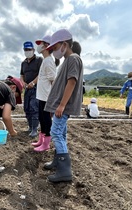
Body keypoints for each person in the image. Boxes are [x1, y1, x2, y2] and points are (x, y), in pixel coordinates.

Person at [43, 29, 83, 183]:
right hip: (61, 106)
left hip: (63, 106)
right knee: (61, 133)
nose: (54, 50)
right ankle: (57, 162)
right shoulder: (68, 60)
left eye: (55, 46)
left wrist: (61, 105)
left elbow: (71, 81)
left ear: (65, 44)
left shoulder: (73, 58)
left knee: (56, 133)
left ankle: (65, 171)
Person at [31, 35, 58, 152]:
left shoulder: (49, 62)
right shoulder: (45, 60)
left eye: (41, 44)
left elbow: (53, 81)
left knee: (46, 119)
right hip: (42, 96)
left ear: (47, 46)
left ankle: (46, 143)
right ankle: (41, 140)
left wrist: (53, 98)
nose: (39, 46)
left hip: (47, 97)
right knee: (42, 118)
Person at [20, 41, 43, 137]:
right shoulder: (23, 63)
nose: (27, 51)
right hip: (27, 89)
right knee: (27, 108)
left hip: (36, 88)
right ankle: (30, 126)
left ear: (33, 50)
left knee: (34, 107)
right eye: (26, 50)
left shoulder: (39, 60)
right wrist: (23, 83)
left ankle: (34, 129)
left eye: (29, 49)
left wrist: (33, 83)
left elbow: (41, 73)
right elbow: (21, 75)